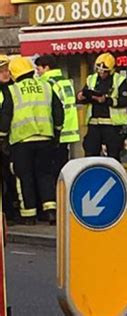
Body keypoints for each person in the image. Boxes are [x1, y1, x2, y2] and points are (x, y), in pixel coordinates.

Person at [0, 57, 64, 225]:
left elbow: (6, 116)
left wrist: (2, 137)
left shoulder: (12, 91)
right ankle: (50, 211)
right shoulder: (46, 86)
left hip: (22, 140)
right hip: (45, 138)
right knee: (45, 175)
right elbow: (58, 112)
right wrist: (56, 133)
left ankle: (28, 215)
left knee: (24, 176)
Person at [77, 53, 127, 162]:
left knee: (113, 156)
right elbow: (86, 96)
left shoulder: (119, 80)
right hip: (94, 124)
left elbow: (124, 100)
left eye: (104, 71)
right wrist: (82, 97)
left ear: (111, 70)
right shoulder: (91, 79)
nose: (101, 74)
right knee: (91, 153)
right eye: (99, 70)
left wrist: (107, 100)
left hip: (112, 125)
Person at [35, 55, 79, 179]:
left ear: (46, 68)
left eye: (39, 69)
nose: (37, 72)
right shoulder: (65, 81)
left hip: (55, 130)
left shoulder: (47, 83)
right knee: (63, 165)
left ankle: (55, 194)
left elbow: (48, 108)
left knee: (52, 168)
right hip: (68, 129)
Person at [0, 55, 19, 224]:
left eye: (6, 70)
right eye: (1, 71)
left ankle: (12, 210)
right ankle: (7, 211)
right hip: (3, 140)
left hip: (13, 139)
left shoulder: (14, 88)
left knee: (11, 177)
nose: (5, 74)